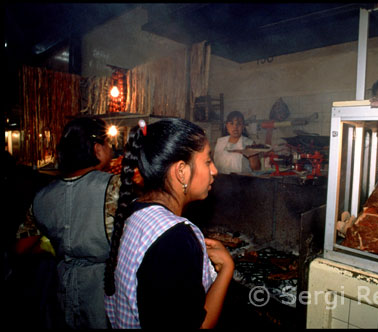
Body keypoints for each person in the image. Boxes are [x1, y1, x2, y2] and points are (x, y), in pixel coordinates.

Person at [104, 118, 234, 329]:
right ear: (181, 171)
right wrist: (227, 269)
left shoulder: (136, 211)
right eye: (208, 161)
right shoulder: (175, 239)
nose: (214, 171)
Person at [21, 117, 120, 329]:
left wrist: (54, 247)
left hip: (60, 293)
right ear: (97, 149)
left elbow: (20, 247)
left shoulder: (43, 196)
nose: (112, 150)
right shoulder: (114, 187)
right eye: (109, 144)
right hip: (103, 294)